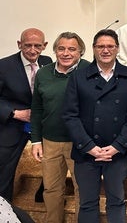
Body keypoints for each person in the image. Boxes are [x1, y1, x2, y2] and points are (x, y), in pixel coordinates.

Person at [63, 29, 127, 223]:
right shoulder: (78, 76)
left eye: (110, 46)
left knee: (116, 201)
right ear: (93, 49)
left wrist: (117, 147)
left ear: (117, 49)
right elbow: (70, 115)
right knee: (88, 203)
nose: (105, 50)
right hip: (86, 152)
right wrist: (90, 147)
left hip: (116, 152)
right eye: (101, 46)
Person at [30, 32, 89, 223]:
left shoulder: (90, 71)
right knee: (51, 189)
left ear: (80, 51)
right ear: (55, 50)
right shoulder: (43, 73)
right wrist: (36, 140)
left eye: (72, 49)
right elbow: (37, 109)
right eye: (61, 48)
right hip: (50, 142)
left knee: (84, 189)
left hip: (80, 142)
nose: (66, 53)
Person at [0, 28, 51, 201]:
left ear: (44, 46)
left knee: (53, 162)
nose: (32, 50)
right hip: (12, 125)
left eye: (37, 46)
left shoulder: (48, 62)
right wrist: (14, 113)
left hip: (41, 124)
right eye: (28, 45)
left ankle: (42, 195)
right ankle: (4, 211)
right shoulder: (3, 66)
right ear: (19, 44)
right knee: (4, 172)